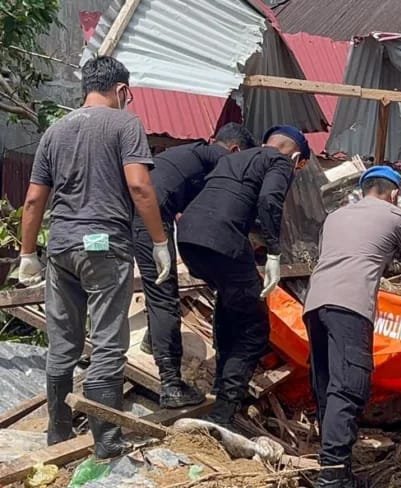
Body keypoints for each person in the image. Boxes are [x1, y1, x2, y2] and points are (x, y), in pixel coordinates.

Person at [18, 56, 170, 457]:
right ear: (121, 90)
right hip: (104, 246)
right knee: (107, 342)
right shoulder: (125, 123)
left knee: (62, 344)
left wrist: (27, 253)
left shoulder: (55, 130)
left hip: (61, 247)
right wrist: (159, 242)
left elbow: (33, 199)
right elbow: (140, 187)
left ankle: (58, 435)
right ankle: (107, 440)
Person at [304, 166, 401, 487]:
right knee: (349, 386)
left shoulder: (334, 217)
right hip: (350, 306)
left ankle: (337, 469)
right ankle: (332, 477)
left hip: (314, 304)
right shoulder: (395, 216)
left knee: (327, 385)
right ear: (395, 193)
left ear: (363, 189)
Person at [176, 125, 309, 427]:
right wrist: (274, 252)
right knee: (254, 328)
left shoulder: (233, 158)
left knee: (230, 304)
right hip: (222, 241)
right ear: (296, 158)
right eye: (299, 168)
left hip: (189, 239)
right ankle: (224, 411)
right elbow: (270, 200)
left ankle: (221, 385)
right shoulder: (280, 161)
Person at [134, 122, 256, 409]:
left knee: (157, 290)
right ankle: (171, 385)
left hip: (132, 213)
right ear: (234, 150)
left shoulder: (194, 155)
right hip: (149, 218)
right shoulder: (219, 159)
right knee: (164, 296)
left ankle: (153, 342)